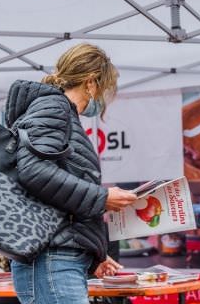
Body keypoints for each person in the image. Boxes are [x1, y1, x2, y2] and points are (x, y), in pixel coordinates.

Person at [8, 43, 137, 304]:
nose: (103, 97)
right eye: (104, 87)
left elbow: (57, 198)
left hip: (55, 260)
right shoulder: (53, 108)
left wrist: (92, 254)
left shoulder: (58, 112)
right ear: (91, 82)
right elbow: (34, 172)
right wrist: (101, 198)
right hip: (50, 260)